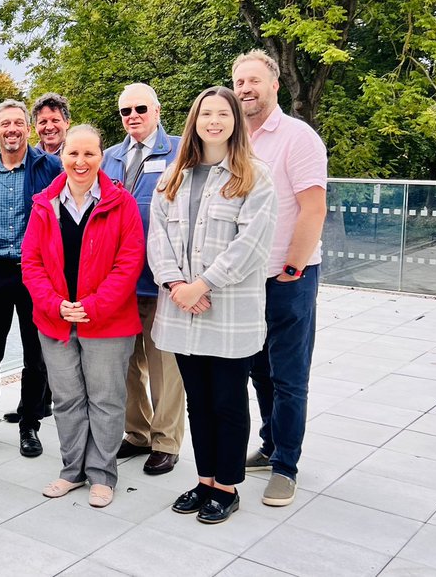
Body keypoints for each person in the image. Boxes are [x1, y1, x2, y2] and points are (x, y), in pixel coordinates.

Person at [148, 86, 277, 524]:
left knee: (227, 400)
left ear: (235, 121)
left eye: (224, 113)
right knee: (197, 402)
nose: (215, 121)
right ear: (195, 121)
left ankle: (227, 485)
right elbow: (157, 237)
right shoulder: (173, 176)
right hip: (182, 308)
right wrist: (176, 284)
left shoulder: (255, 176)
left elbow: (251, 246)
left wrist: (202, 284)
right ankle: (204, 479)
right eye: (207, 114)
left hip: (227, 311)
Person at [20, 124, 144, 507]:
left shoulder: (120, 203)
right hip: (55, 319)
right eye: (73, 153)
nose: (80, 161)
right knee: (67, 399)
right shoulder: (45, 204)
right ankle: (72, 470)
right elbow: (32, 263)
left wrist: (90, 307)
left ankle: (103, 475)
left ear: (101, 157)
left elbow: (129, 263)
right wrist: (55, 304)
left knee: (106, 399)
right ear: (62, 156)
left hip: (107, 321)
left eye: (89, 154)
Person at [232, 50, 328, 507]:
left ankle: (286, 466)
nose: (245, 89)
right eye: (238, 82)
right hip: (248, 279)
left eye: (253, 80)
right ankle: (271, 445)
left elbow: (313, 207)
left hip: (290, 276)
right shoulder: (234, 140)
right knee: (259, 371)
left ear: (273, 85)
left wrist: (292, 266)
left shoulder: (298, 137)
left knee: (289, 375)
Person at [101, 83, 186, 476]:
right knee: (126, 362)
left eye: (139, 108)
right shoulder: (109, 157)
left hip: (162, 276)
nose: (132, 116)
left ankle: (166, 440)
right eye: (125, 111)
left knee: (164, 362)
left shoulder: (181, 150)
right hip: (120, 279)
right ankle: (136, 433)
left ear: (156, 109)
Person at [0, 99, 61, 457]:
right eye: (4, 124)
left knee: (35, 355)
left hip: (34, 272)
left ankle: (30, 424)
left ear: (28, 129)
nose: (11, 129)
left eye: (18, 123)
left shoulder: (49, 168)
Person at [32, 92, 71, 156]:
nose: (49, 127)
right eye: (43, 122)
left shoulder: (77, 157)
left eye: (55, 120)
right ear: (36, 127)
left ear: (67, 123)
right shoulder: (28, 159)